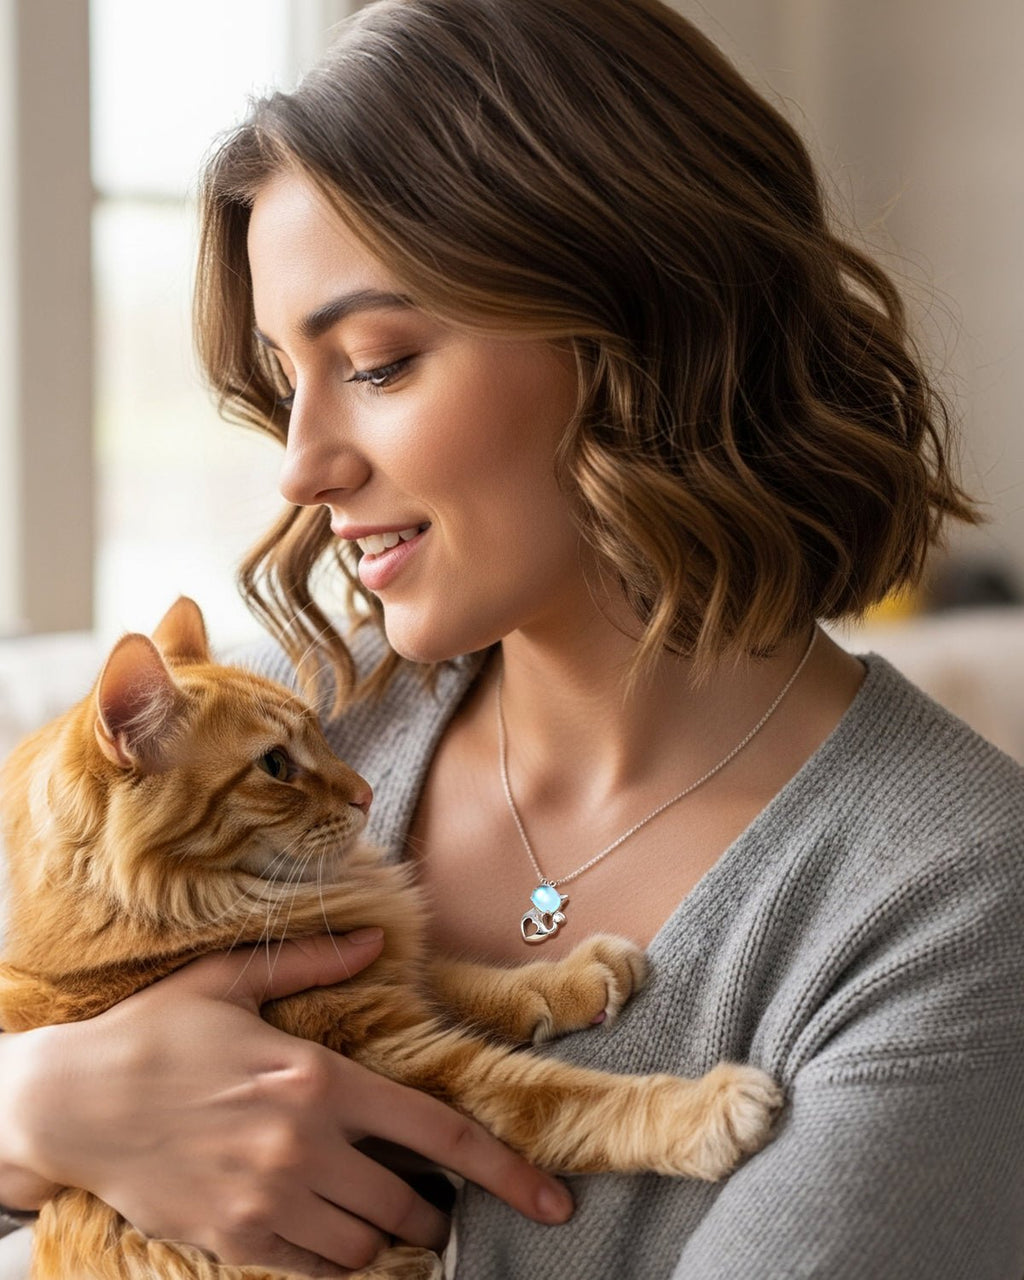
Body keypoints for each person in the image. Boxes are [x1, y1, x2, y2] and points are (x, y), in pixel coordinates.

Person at [2, 0, 1023, 1275]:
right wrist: (39, 1106)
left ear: (635, 329)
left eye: (374, 362)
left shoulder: (952, 905)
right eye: (282, 378)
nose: (302, 467)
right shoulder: (275, 722)